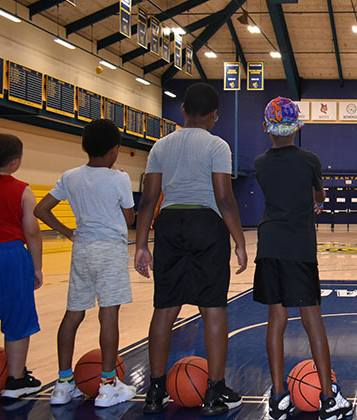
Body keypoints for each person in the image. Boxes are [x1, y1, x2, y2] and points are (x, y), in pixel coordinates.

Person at [134, 82, 248, 416]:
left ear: (183, 110)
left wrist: (141, 244)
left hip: (169, 224)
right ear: (214, 115)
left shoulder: (160, 146)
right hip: (206, 225)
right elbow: (224, 198)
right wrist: (239, 241)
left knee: (165, 307)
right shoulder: (217, 145)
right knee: (212, 308)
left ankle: (155, 391)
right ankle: (214, 391)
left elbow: (149, 200)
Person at [255, 96, 352, 420]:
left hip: (269, 244)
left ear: (268, 129)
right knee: (312, 319)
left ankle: (279, 398)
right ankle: (328, 398)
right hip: (299, 247)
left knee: (276, 320)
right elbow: (318, 194)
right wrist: (317, 200)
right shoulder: (310, 160)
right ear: (297, 127)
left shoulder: (259, 163)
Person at [34, 119, 136, 407]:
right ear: (115, 150)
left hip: (82, 249)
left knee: (73, 314)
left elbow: (41, 209)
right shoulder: (119, 178)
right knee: (109, 315)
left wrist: (67, 232)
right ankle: (107, 384)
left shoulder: (70, 176)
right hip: (110, 251)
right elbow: (129, 218)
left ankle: (63, 384)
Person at [0, 133, 43, 398]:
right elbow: (33, 232)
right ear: (15, 162)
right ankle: (15, 380)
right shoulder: (22, 190)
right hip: (9, 256)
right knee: (16, 320)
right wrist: (37, 267)